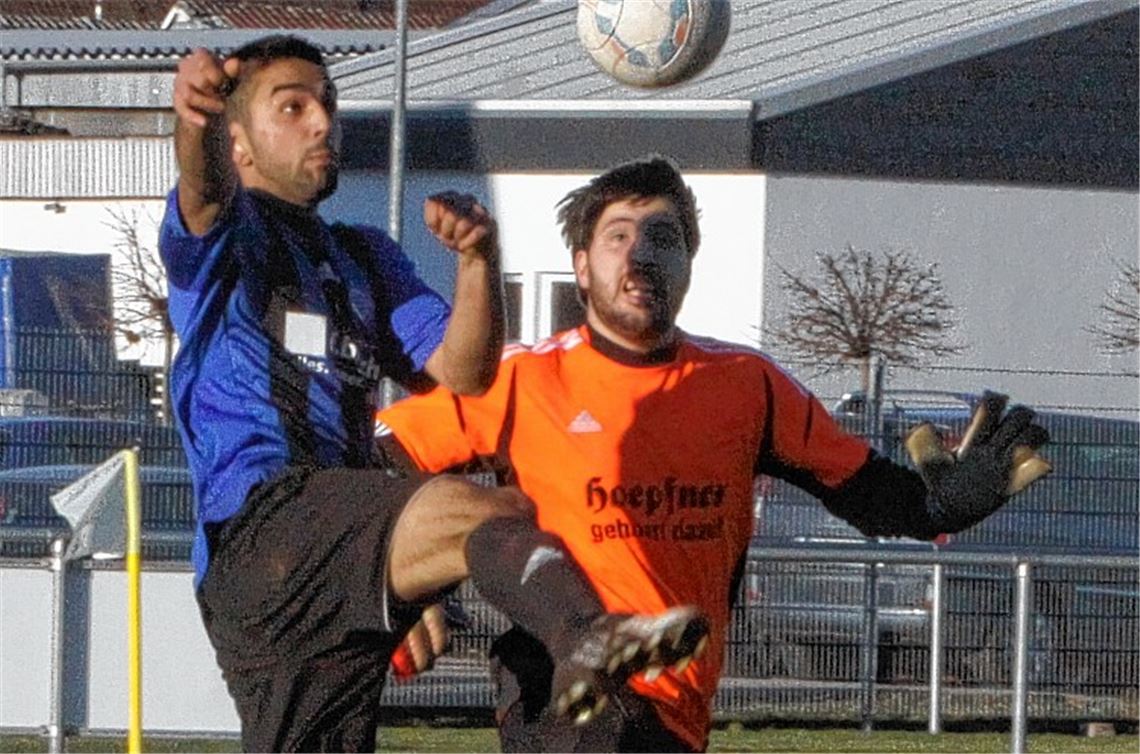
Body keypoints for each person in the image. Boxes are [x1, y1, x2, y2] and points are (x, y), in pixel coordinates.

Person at [375, 154, 1052, 752]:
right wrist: (407, 591)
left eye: (663, 239)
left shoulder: (744, 386)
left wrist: (948, 503)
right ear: (580, 266)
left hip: (679, 707)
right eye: (618, 237)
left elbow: (873, 495)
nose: (641, 254)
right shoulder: (520, 377)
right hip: (563, 691)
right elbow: (380, 461)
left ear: (689, 264)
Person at [159, 37, 708, 753]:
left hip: (312, 579)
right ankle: (587, 634)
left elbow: (465, 373)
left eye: (326, 102)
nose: (322, 121)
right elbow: (200, 191)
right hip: (264, 523)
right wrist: (193, 118)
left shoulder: (362, 255)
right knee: (492, 509)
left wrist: (480, 260)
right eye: (290, 107)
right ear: (240, 142)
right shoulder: (230, 236)